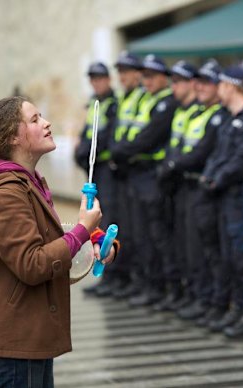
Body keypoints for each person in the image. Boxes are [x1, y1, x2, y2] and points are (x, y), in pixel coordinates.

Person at [0, 96, 115, 387]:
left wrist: (93, 242)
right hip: (12, 341)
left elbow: (49, 247)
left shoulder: (29, 182)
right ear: (12, 137)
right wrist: (81, 230)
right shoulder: (6, 193)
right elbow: (33, 264)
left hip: (27, 334)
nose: (47, 122)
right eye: (35, 119)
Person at [200, 64, 243, 338]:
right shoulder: (229, 119)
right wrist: (210, 176)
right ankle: (240, 309)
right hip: (226, 199)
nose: (218, 90)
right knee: (231, 257)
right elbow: (218, 155)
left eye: (221, 84)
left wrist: (217, 178)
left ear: (230, 86)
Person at [157, 59, 229, 323]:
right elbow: (177, 146)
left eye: (207, 82)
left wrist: (174, 164)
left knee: (206, 248)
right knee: (189, 246)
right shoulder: (194, 113)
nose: (200, 87)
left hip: (202, 187)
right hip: (183, 185)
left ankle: (214, 301)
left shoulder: (218, 116)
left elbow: (202, 152)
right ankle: (199, 296)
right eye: (198, 82)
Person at [112, 54, 178, 308]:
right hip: (136, 172)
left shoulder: (166, 103)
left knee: (157, 233)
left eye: (152, 76)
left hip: (151, 174)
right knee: (140, 232)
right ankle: (151, 284)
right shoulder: (146, 100)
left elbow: (148, 137)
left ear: (164, 78)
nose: (147, 80)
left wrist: (120, 152)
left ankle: (167, 288)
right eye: (145, 76)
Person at [94, 52, 145, 299]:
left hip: (128, 170)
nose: (122, 77)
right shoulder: (123, 99)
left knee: (126, 226)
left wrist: (115, 153)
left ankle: (124, 277)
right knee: (113, 223)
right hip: (117, 169)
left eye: (127, 71)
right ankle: (115, 276)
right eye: (120, 72)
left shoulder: (134, 98)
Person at [155, 59, 200, 314]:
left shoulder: (197, 110)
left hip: (191, 183)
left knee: (195, 245)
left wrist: (171, 166)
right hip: (177, 184)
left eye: (181, 81)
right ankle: (187, 293)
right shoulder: (180, 110)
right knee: (181, 242)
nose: (175, 86)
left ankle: (199, 297)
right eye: (174, 80)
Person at [75, 62, 118, 296]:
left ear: (108, 79)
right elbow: (87, 132)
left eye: (100, 78)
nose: (96, 82)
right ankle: (104, 273)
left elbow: (105, 136)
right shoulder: (93, 102)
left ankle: (110, 272)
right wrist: (80, 151)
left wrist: (85, 151)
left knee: (105, 217)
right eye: (92, 79)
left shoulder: (112, 104)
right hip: (94, 169)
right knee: (93, 217)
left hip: (106, 168)